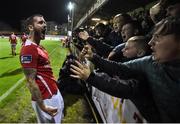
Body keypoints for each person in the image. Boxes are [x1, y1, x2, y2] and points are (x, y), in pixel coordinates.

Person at [70, 17, 180, 122]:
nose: (151, 42)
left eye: (157, 38)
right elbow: (120, 68)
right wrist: (94, 58)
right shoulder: (150, 62)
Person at [19, 14, 64, 123]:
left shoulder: (40, 47)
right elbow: (30, 81)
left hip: (54, 94)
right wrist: (43, 106)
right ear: (30, 27)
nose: (44, 25)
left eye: (45, 23)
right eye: (40, 22)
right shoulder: (28, 50)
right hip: (45, 99)